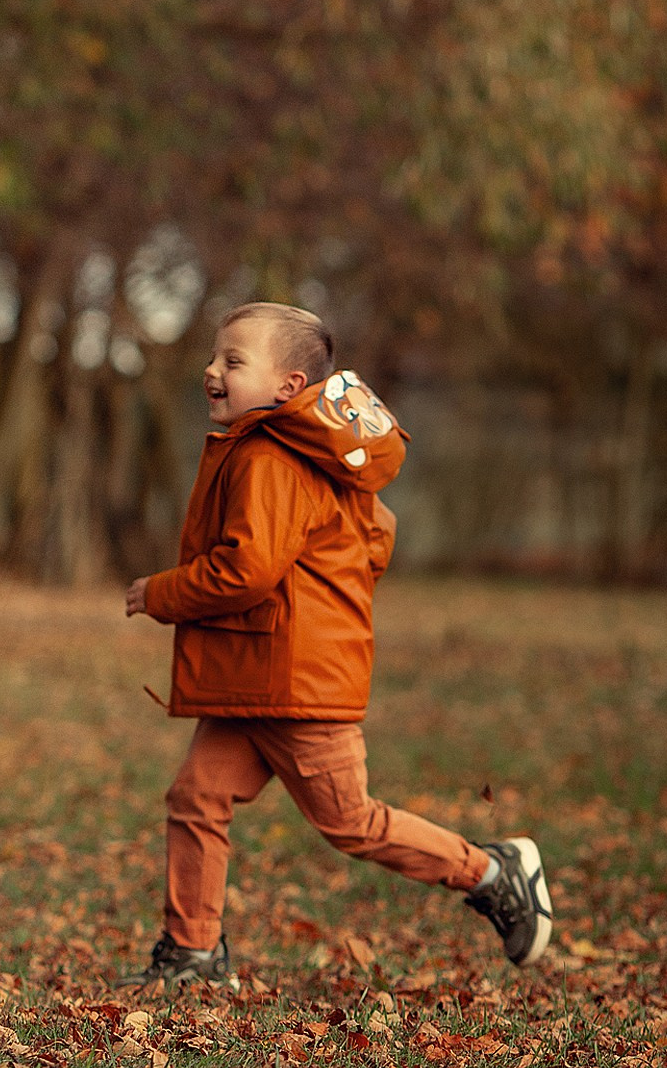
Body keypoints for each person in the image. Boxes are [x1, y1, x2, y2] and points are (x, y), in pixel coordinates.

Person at [124, 301, 553, 990]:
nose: (212, 371)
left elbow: (247, 570)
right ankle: (192, 952)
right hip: (260, 674)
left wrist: (162, 594)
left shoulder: (269, 456)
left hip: (297, 682)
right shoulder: (321, 453)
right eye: (213, 357)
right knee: (197, 795)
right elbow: (377, 537)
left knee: (349, 821)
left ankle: (492, 872)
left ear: (288, 386)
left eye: (233, 361)